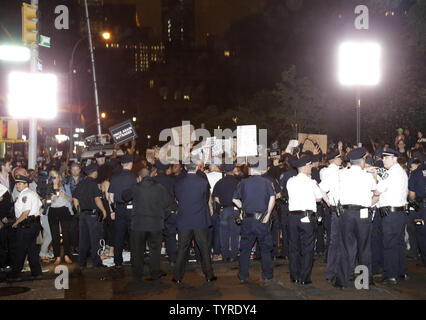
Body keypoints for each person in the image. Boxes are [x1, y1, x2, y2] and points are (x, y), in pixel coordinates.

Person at [335, 147, 377, 289]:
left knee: (345, 247)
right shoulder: (366, 176)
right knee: (364, 248)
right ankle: (364, 281)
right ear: (362, 161)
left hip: (346, 213)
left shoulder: (342, 174)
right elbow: (375, 190)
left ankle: (342, 280)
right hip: (362, 214)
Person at [122, 167, 172, 284]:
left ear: (139, 178)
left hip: (138, 226)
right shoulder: (160, 188)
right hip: (155, 225)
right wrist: (162, 218)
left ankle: (137, 274)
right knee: (155, 251)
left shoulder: (136, 187)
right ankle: (155, 272)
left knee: (137, 251)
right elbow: (169, 205)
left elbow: (124, 196)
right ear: (150, 176)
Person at [286, 155, 329, 285]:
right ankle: (305, 278)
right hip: (307, 217)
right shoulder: (311, 182)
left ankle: (294, 276)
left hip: (292, 216)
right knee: (308, 247)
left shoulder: (290, 181)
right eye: (309, 165)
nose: (311, 167)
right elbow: (318, 199)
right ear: (304, 167)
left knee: (293, 247)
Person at [172, 162, 216, 284]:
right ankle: (209, 275)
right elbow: (205, 199)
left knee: (182, 249)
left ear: (185, 168)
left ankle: (177, 277)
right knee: (204, 248)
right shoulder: (202, 183)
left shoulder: (179, 183)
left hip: (184, 219)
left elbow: (177, 199)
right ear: (197, 168)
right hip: (199, 219)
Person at [232, 161, 276, 284]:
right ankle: (267, 275)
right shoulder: (267, 182)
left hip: (248, 220)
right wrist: (268, 213)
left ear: (251, 170)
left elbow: (234, 199)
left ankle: (242, 275)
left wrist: (243, 207)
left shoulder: (243, 183)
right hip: (262, 219)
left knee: (245, 249)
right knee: (265, 249)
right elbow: (273, 197)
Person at [375, 148, 409, 284]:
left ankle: (390, 275)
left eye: (386, 157)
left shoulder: (390, 173)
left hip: (390, 214)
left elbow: (378, 191)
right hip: (400, 213)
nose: (383, 160)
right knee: (399, 243)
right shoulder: (402, 172)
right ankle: (401, 272)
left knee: (389, 244)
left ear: (394, 158)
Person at [7, 175, 43, 282]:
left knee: (20, 249)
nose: (17, 185)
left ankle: (15, 274)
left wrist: (16, 222)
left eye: (20, 183)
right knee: (31, 249)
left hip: (26, 224)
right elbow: (40, 205)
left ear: (26, 184)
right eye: (17, 183)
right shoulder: (32, 193)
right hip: (34, 224)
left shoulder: (25, 195)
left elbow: (26, 211)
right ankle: (36, 273)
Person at [73, 164, 107, 269]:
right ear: (94, 172)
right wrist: (103, 210)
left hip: (83, 215)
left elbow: (75, 199)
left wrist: (79, 211)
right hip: (93, 215)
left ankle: (82, 263)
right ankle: (96, 263)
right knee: (95, 240)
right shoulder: (93, 184)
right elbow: (97, 199)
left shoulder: (80, 183)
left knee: (83, 240)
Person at [108, 154, 137, 268]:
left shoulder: (115, 177)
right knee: (133, 236)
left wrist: (112, 211)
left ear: (121, 164)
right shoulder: (134, 177)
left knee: (118, 236)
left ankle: (117, 262)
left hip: (119, 208)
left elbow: (110, 196)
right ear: (131, 164)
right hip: (131, 208)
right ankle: (134, 260)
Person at [319, 150, 342, 283]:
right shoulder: (334, 172)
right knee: (337, 241)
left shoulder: (328, 171)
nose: (341, 160)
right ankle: (336, 271)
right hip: (337, 209)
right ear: (335, 159)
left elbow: (321, 189)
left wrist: (328, 202)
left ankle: (332, 271)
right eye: (339, 158)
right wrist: (328, 201)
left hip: (333, 208)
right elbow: (321, 188)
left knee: (334, 240)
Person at [212, 163, 240, 262]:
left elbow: (215, 198)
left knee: (223, 234)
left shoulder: (219, 182)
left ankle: (225, 255)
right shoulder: (238, 182)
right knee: (235, 233)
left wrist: (223, 203)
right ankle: (234, 255)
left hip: (224, 211)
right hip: (235, 210)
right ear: (233, 170)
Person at [46, 170, 74, 265]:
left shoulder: (65, 187)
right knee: (55, 235)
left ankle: (67, 255)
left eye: (57, 177)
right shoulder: (48, 188)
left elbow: (71, 200)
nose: (56, 179)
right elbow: (46, 203)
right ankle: (57, 256)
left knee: (66, 234)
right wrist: (52, 200)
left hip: (64, 210)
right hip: (53, 211)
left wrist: (65, 195)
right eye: (54, 177)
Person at [152, 160, 176, 266]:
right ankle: (172, 259)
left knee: (155, 236)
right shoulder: (171, 180)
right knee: (170, 235)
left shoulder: (152, 180)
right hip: (169, 210)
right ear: (166, 169)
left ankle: (155, 260)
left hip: (155, 211)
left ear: (157, 169)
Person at [408, 152, 426, 267]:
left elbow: (412, 195)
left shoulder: (414, 174)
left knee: (421, 233)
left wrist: (411, 201)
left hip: (420, 209)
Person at [206, 163, 223, 261]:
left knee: (208, 230)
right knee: (218, 230)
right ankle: (216, 253)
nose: (208, 166)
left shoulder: (206, 176)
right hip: (219, 204)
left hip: (208, 205)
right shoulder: (222, 176)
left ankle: (207, 252)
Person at [66, 162, 84, 255]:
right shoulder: (66, 180)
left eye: (77, 169)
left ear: (80, 170)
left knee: (80, 227)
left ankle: (79, 246)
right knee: (71, 227)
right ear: (70, 170)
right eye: (73, 169)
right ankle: (72, 246)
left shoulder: (83, 180)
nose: (75, 171)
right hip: (69, 205)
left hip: (81, 205)